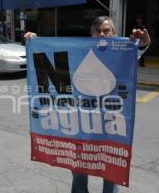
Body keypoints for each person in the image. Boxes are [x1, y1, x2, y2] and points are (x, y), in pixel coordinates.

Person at [24, 16, 150, 193]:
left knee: (111, 167)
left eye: (106, 31)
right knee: (79, 165)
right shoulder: (80, 52)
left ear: (114, 33)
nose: (102, 34)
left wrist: (143, 42)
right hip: (81, 123)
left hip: (110, 126)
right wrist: (35, 41)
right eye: (98, 30)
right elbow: (51, 53)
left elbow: (139, 48)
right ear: (91, 34)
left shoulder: (122, 51)